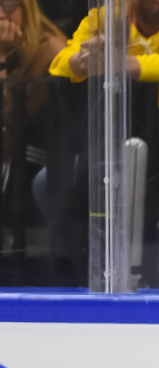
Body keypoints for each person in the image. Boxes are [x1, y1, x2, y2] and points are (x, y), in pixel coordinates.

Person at [37, 0, 159, 284]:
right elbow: (61, 60)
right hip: (116, 144)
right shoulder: (107, 17)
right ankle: (88, 270)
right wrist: (79, 62)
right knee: (44, 183)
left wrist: (128, 64)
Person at [0, 0, 65, 220]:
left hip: (37, 167)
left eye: (8, 5)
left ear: (28, 8)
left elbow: (9, 124)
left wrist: (0, 59)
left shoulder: (50, 50)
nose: (1, 15)